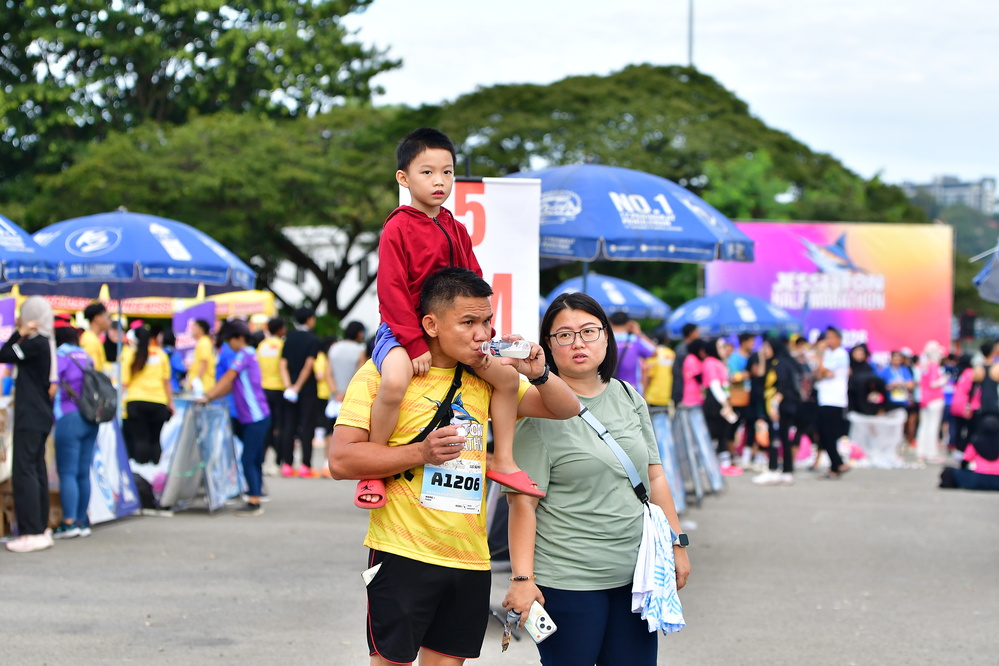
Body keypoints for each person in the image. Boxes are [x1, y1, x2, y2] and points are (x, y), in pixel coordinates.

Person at [328, 267, 580, 666]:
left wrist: (540, 372)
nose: (482, 334)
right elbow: (341, 460)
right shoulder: (385, 373)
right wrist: (421, 453)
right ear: (431, 324)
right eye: (468, 323)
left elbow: (565, 408)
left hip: (470, 558)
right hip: (403, 552)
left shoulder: (489, 376)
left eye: (487, 321)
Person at [502, 292, 690, 666]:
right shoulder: (537, 411)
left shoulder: (628, 395)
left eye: (589, 331)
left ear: (607, 336)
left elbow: (654, 475)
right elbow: (522, 503)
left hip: (637, 577)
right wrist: (522, 580)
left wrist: (677, 543)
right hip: (568, 580)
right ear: (548, 346)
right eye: (564, 335)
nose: (578, 343)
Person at [360, 127, 538, 506]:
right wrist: (412, 343)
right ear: (404, 178)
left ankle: (503, 460)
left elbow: (476, 285)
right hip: (404, 331)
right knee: (394, 381)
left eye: (447, 171)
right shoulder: (397, 227)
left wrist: (484, 333)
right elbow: (391, 291)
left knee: (507, 379)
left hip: (454, 334)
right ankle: (373, 466)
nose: (439, 181)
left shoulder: (457, 228)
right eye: (427, 172)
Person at [1, 297, 56, 553]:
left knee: (25, 472)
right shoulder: (45, 343)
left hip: (30, 415)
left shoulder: (35, 344)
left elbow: (3, 354)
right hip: (40, 414)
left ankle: (31, 531)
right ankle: (39, 528)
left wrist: (18, 334)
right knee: (36, 471)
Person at [200, 321, 271, 516]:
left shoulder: (244, 354)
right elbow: (232, 386)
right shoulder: (250, 354)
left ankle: (254, 501)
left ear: (239, 338)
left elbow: (228, 378)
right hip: (258, 415)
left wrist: (208, 396)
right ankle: (256, 492)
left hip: (255, 416)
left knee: (247, 458)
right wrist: (212, 396)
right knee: (254, 458)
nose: (228, 344)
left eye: (230, 340)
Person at [52, 323, 101, 539]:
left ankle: (69, 521)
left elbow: (52, 387)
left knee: (67, 472)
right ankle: (82, 521)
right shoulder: (87, 357)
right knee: (83, 472)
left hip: (68, 416)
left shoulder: (60, 356)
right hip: (90, 418)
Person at [753, 336, 803, 486]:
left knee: (776, 438)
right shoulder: (778, 362)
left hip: (781, 406)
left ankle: (774, 469)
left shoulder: (780, 363)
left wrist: (774, 406)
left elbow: (783, 386)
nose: (764, 350)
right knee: (782, 438)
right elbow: (761, 375)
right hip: (782, 405)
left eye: (767, 347)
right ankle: (786, 471)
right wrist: (762, 358)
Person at [121, 326, 174, 464]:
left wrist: (116, 400)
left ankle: (142, 471)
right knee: (155, 439)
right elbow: (166, 382)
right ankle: (156, 471)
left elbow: (124, 382)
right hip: (158, 401)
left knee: (140, 439)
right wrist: (171, 403)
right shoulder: (161, 355)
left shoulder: (130, 354)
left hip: (135, 401)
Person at [279, 307, 322, 477]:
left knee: (289, 425)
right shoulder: (313, 339)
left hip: (289, 389)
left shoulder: (288, 338)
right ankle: (305, 466)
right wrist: (298, 386)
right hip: (307, 388)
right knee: (306, 426)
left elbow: (283, 364)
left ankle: (287, 465)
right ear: (309, 319)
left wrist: (289, 386)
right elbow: (308, 365)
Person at [814, 326, 850, 478]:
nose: (827, 341)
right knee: (823, 434)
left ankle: (836, 467)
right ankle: (838, 463)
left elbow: (826, 372)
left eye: (830, 337)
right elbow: (818, 374)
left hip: (835, 400)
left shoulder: (841, 354)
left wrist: (819, 356)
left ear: (838, 339)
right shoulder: (828, 353)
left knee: (829, 435)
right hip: (824, 398)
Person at [701, 338, 737, 470]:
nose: (724, 349)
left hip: (722, 400)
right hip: (714, 402)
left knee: (723, 433)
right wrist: (725, 404)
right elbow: (714, 385)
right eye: (721, 347)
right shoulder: (710, 362)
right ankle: (709, 463)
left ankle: (724, 463)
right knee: (714, 433)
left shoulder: (719, 362)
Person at [257, 317, 286, 471]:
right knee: (279, 427)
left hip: (263, 388)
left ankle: (262, 459)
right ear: (280, 329)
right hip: (279, 388)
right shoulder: (282, 345)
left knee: (265, 425)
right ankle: (276, 462)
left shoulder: (262, 345)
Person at [915, 340, 947, 464]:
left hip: (924, 399)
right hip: (934, 399)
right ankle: (931, 453)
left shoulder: (924, 365)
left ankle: (921, 452)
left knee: (924, 426)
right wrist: (943, 380)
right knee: (933, 426)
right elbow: (933, 383)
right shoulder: (934, 365)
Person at [609, 311, 655, 395]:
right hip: (632, 390)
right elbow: (653, 352)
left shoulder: (605, 340)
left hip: (608, 390)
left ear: (610, 323)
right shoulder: (634, 340)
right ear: (628, 324)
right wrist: (639, 333)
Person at [328, 321, 367, 402]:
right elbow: (358, 376)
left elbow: (328, 374)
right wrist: (344, 394)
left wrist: (336, 393)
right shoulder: (360, 350)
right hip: (351, 397)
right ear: (359, 333)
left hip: (334, 398)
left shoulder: (333, 347)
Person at [950, 354, 980, 456]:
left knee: (957, 428)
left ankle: (957, 448)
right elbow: (971, 390)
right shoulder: (970, 373)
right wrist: (969, 404)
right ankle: (964, 450)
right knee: (969, 429)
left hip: (956, 404)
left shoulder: (959, 372)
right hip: (966, 405)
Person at [671, 323, 700, 408]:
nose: (699, 334)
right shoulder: (683, 349)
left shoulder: (685, 347)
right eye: (696, 332)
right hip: (682, 390)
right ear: (691, 333)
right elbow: (680, 371)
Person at [643, 333, 675, 411]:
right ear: (666, 341)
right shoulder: (672, 354)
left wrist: (643, 393)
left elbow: (649, 375)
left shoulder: (653, 354)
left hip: (653, 395)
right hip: (667, 394)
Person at [186, 318, 216, 395]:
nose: (192, 329)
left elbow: (204, 362)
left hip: (203, 386)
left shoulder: (204, 342)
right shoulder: (202, 342)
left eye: (194, 326)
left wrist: (196, 381)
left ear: (201, 329)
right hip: (201, 386)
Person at [81, 302, 110, 372]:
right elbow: (92, 369)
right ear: (98, 318)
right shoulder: (90, 340)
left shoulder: (93, 338)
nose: (110, 321)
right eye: (108, 317)